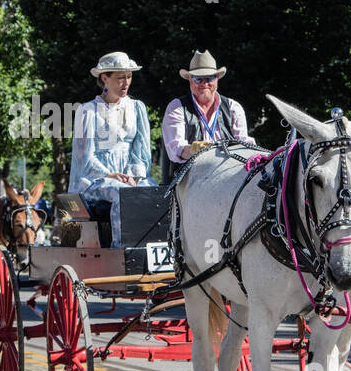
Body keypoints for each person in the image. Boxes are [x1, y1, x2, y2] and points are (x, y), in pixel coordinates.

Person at [69, 52, 158, 247]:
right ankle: (122, 249)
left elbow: (140, 151)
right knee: (122, 194)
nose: (126, 82)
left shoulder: (137, 108)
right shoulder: (88, 111)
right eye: (120, 78)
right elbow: (86, 159)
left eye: (129, 76)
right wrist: (111, 174)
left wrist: (135, 175)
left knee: (153, 192)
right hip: (95, 180)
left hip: (128, 177)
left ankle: (155, 246)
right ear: (104, 78)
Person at [160, 49, 254, 180]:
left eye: (210, 78)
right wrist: (193, 150)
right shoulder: (177, 107)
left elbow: (244, 145)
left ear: (217, 79)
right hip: (190, 179)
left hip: (228, 176)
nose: (205, 84)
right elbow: (175, 149)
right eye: (198, 79)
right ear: (189, 80)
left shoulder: (233, 107)